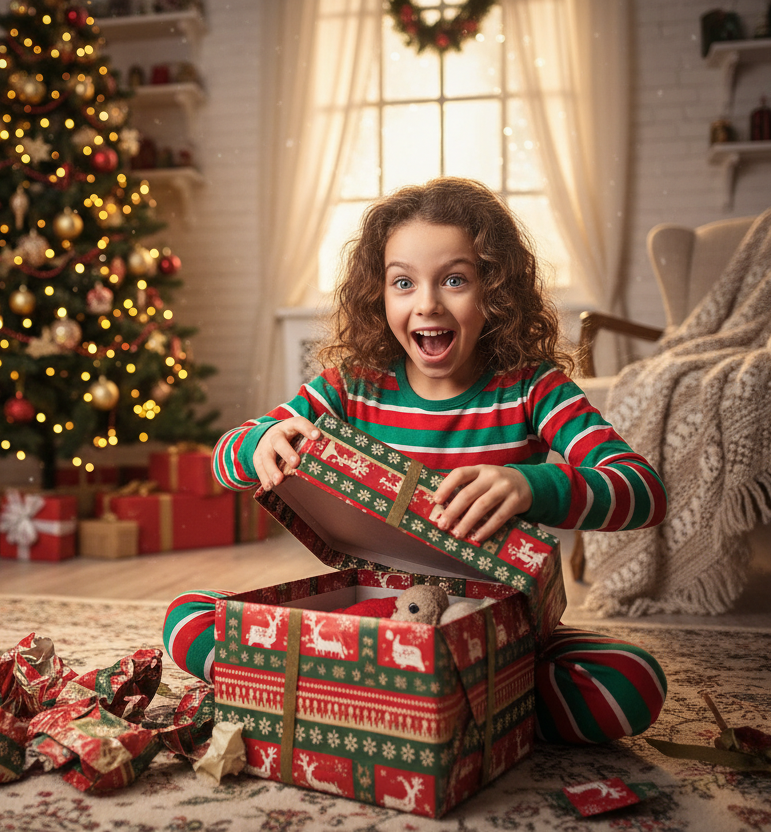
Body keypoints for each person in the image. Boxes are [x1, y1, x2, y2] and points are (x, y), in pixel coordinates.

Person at [164, 178, 669, 745]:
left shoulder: (534, 388)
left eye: (455, 280)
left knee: (633, 682)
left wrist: (531, 486)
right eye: (403, 282)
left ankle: (371, 694)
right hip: (380, 612)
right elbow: (226, 456)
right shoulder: (351, 387)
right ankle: (463, 708)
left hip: (500, 623)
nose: (427, 303)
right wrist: (259, 442)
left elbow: (643, 491)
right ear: (378, 296)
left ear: (495, 290)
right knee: (187, 617)